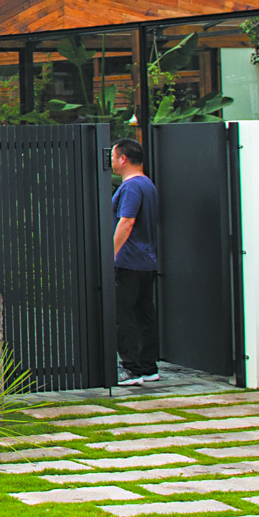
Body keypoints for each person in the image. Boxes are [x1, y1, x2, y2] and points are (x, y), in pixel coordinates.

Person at [111, 137, 161, 385]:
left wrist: (111, 254)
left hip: (128, 261)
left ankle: (132, 370)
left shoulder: (131, 187)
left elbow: (127, 221)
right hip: (147, 260)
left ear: (123, 158)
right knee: (144, 314)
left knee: (124, 314)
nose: (111, 161)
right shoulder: (148, 184)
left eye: (113, 156)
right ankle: (149, 367)